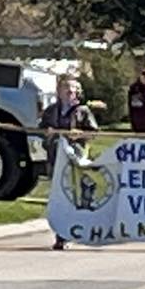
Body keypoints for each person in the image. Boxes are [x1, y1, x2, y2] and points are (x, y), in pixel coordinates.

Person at [41, 75, 99, 251]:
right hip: (56, 160)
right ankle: (61, 236)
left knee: (77, 196)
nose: (69, 92)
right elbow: (40, 130)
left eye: (72, 89)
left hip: (76, 159)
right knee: (60, 199)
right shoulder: (51, 111)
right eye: (65, 88)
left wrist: (79, 134)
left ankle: (78, 230)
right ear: (59, 92)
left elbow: (93, 132)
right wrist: (47, 133)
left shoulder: (82, 111)